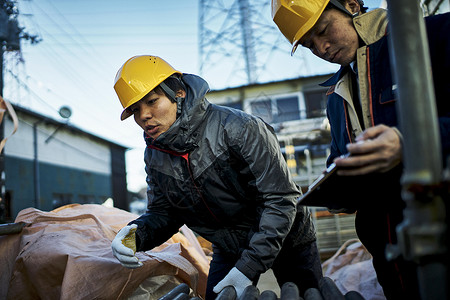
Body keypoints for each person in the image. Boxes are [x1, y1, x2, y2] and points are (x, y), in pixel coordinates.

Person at [272, 0, 450, 299]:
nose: (322, 47)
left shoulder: (433, 37)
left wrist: (411, 143)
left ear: (351, 5)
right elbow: (337, 157)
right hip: (390, 252)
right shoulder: (335, 97)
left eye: (323, 30)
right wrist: (338, 187)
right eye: (309, 44)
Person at [110, 55, 323, 299]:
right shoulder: (155, 155)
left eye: (151, 101)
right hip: (229, 246)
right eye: (135, 110)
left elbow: (280, 199)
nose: (144, 116)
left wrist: (247, 267)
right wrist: (136, 235)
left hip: (287, 236)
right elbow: (164, 213)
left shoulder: (240, 128)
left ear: (178, 92)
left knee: (309, 296)